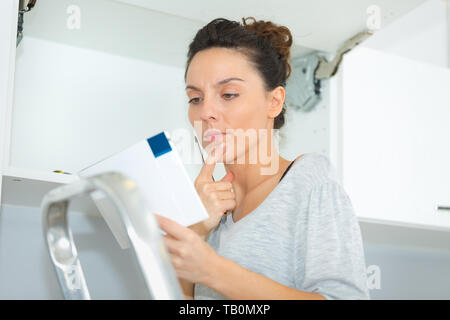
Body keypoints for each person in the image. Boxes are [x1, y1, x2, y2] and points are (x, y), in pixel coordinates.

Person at [154, 17, 370, 300]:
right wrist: (194, 233)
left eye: (228, 94)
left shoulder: (310, 183)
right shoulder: (206, 211)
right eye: (195, 98)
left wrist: (214, 270)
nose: (206, 112)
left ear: (274, 102)